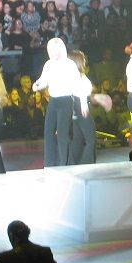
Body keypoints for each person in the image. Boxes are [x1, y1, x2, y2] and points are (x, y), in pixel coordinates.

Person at [33, 37, 82, 167]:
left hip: (65, 101)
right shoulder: (49, 64)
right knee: (48, 132)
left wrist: (81, 104)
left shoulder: (69, 64)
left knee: (62, 134)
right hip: (53, 101)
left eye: (53, 50)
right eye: (49, 50)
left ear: (60, 50)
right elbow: (43, 80)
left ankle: (64, 163)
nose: (51, 53)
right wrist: (37, 84)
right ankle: (50, 163)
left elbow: (77, 84)